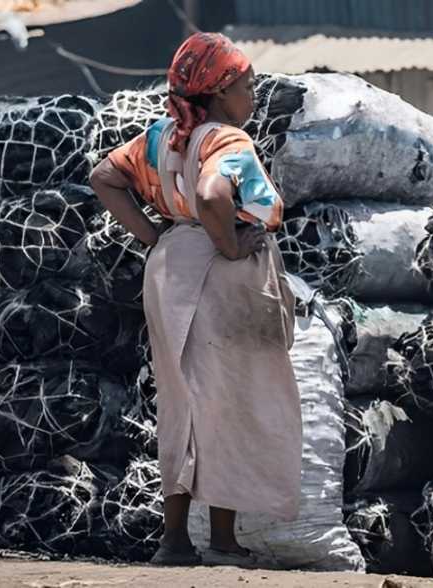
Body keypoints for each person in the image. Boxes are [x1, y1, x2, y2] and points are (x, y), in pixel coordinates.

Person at [89, 32, 301, 568]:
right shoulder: (228, 140)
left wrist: (154, 237)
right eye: (248, 86)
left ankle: (174, 540)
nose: (253, 97)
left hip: (171, 270)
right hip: (219, 273)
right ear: (223, 90)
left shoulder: (162, 137)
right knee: (231, 401)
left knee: (181, 402)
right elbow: (212, 194)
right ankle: (224, 543)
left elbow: (104, 177)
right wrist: (228, 243)